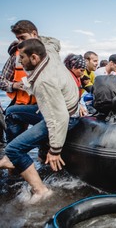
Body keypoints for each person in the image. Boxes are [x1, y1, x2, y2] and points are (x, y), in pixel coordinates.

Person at [0, 39, 79, 204]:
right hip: (56, 110)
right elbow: (55, 42)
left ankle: (41, 190)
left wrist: (55, 149)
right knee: (12, 112)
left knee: (13, 149)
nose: (19, 61)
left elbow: (59, 118)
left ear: (34, 57)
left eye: (22, 57)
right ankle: (14, 161)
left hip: (64, 117)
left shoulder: (44, 81)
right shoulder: (50, 54)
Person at [0, 20, 61, 143]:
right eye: (18, 39)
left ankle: (42, 156)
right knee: (13, 141)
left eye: (23, 38)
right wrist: (14, 85)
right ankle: (12, 156)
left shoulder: (50, 54)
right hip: (20, 104)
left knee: (45, 145)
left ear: (34, 34)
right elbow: (1, 81)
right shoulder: (15, 56)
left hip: (42, 106)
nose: (20, 42)